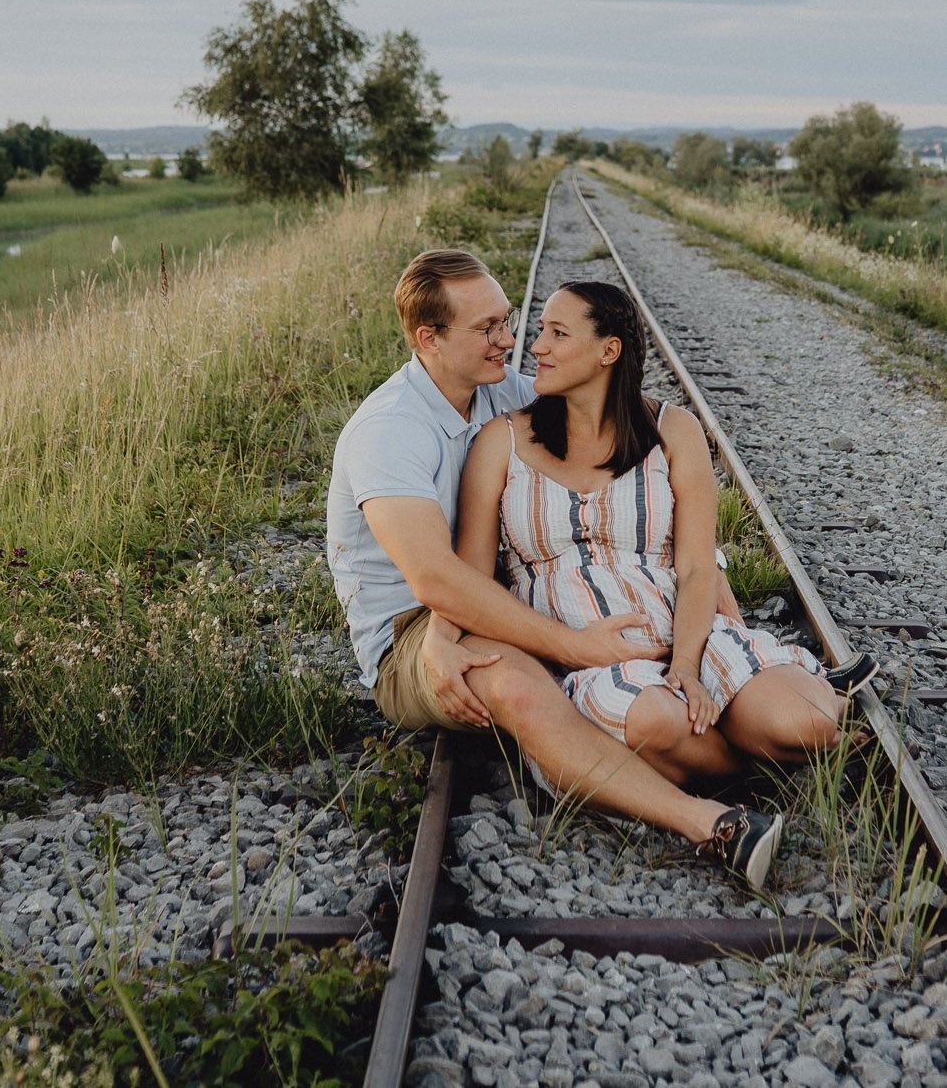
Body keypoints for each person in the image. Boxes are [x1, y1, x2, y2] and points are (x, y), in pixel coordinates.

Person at [326, 250, 788, 884]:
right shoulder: (389, 430)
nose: (509, 341)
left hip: (502, 601)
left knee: (645, 647)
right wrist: (570, 647)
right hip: (416, 630)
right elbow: (435, 580)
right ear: (428, 338)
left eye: (508, 321)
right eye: (486, 328)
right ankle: (709, 823)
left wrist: (719, 601)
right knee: (518, 683)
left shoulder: (504, 393)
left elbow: (628, 432)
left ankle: (768, 726)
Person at [454, 281, 876, 822]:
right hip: (588, 658)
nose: (536, 347)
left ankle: (789, 725)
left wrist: (687, 668)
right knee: (656, 722)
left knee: (804, 722)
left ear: (609, 351)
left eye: (557, 334)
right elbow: (471, 583)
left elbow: (698, 568)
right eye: (540, 331)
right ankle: (757, 760)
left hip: (687, 633)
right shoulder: (503, 440)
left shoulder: (674, 430)